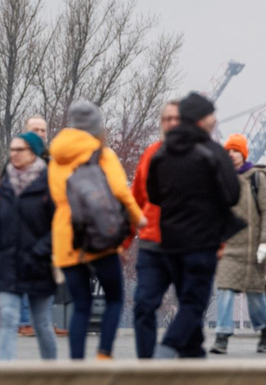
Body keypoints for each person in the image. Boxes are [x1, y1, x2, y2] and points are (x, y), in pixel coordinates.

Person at [48, 100, 145, 360]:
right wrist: (139, 218)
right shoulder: (102, 153)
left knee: (81, 305)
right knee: (114, 298)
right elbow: (120, 192)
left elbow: (52, 197)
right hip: (99, 235)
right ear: (95, 127)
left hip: (66, 238)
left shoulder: (55, 157)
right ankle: (103, 356)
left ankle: (77, 365)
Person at [148, 92, 241, 359]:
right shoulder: (211, 152)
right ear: (201, 119)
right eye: (211, 114)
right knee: (194, 302)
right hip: (202, 241)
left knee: (186, 297)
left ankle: (194, 356)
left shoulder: (162, 152)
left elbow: (154, 194)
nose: (214, 119)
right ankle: (164, 352)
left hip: (170, 242)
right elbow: (232, 194)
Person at [0, 131, 57, 361]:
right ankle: (5, 375)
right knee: (8, 318)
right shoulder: (5, 183)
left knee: (41, 324)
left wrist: (40, 252)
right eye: (12, 149)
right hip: (8, 263)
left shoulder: (50, 183)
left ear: (33, 153)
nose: (14, 154)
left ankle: (52, 374)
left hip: (39, 265)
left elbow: (59, 225)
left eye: (20, 150)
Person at [210, 133, 266, 355]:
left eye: (236, 150)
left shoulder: (257, 178)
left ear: (244, 153)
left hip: (253, 249)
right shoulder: (221, 179)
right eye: (228, 151)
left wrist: (265, 241)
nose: (231, 154)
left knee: (256, 296)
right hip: (230, 248)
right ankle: (222, 336)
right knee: (224, 290)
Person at [130, 101, 180, 358]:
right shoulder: (150, 153)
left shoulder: (197, 155)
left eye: (176, 119)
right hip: (152, 243)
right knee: (143, 305)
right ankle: (147, 365)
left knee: (192, 306)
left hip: (184, 244)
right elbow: (135, 198)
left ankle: (182, 363)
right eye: (167, 118)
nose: (171, 123)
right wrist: (123, 240)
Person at [16, 115, 48, 338]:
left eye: (43, 130)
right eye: (34, 129)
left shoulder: (51, 162)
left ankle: (39, 322)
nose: (39, 133)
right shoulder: (15, 162)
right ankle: (23, 322)